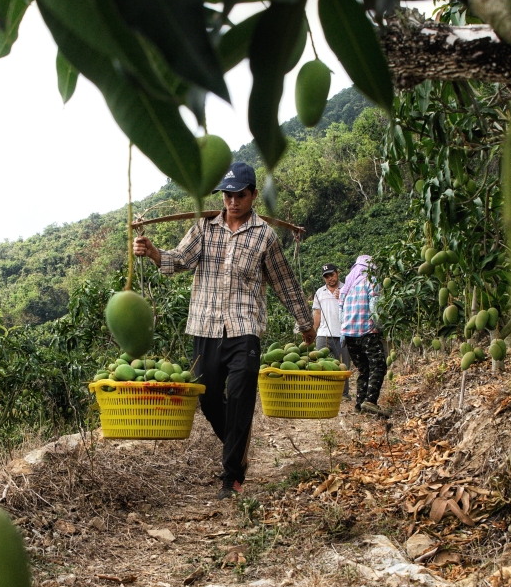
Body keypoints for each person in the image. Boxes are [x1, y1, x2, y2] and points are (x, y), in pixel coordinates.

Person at [134, 161, 315, 498]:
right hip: (205, 326)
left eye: (240, 195)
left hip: (244, 327)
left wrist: (305, 324)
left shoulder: (265, 236)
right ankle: (238, 442)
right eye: (228, 195)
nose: (233, 201)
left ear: (253, 195)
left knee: (243, 390)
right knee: (210, 400)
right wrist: (153, 252)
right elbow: (180, 260)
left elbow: (285, 284)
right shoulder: (206, 229)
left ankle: (231, 476)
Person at [341, 254, 386, 414]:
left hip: (349, 335)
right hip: (367, 331)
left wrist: (342, 334)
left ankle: (359, 405)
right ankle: (370, 401)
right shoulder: (370, 280)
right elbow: (374, 307)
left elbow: (341, 310)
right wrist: (380, 327)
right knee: (378, 364)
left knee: (364, 369)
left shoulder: (348, 285)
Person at [312, 263, 349, 399]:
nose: (330, 279)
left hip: (342, 334)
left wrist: (343, 298)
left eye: (332, 275)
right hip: (323, 334)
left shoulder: (346, 288)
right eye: (326, 277)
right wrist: (313, 332)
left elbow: (353, 308)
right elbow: (317, 313)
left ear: (337, 273)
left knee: (343, 365)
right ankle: (321, 393)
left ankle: (343, 394)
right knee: (319, 363)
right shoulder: (319, 292)